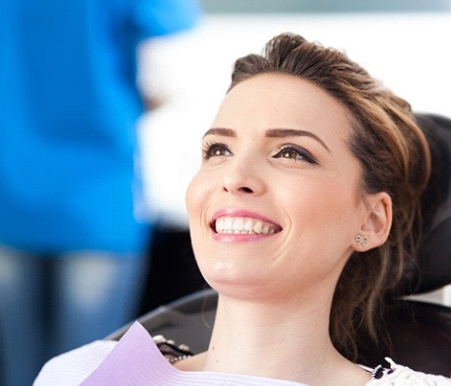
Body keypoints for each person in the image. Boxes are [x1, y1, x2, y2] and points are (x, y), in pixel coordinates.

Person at [34, 33, 451, 385]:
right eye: (219, 149)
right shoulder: (79, 375)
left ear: (371, 219)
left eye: (291, 152)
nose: (234, 176)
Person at [0, 1, 201, 385]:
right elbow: (166, 82)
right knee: (90, 376)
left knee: (17, 372)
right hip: (98, 199)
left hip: (8, 190)